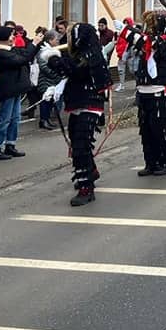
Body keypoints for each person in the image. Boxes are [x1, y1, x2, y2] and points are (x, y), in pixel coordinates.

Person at [48, 23, 111, 206]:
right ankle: (90, 171)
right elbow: (70, 73)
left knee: (81, 145)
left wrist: (53, 59)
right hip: (78, 102)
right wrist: (57, 88)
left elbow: (75, 71)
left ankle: (86, 188)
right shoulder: (80, 54)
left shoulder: (90, 55)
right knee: (76, 141)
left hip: (89, 104)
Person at [131, 12, 166, 176]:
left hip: (159, 91)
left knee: (158, 127)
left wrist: (128, 31)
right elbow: (142, 46)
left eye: (151, 24)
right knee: (145, 128)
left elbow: (152, 46)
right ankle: (151, 161)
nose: (149, 28)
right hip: (144, 89)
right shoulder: (146, 40)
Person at [0, 25, 43, 161]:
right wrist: (34, 44)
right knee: (4, 119)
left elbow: (25, 53)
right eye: (11, 35)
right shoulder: (0, 53)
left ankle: (10, 145)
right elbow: (21, 59)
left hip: (16, 88)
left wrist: (35, 44)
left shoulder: (10, 50)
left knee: (15, 119)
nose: (13, 37)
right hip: (8, 89)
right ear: (4, 38)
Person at [35, 30, 63, 130]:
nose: (58, 41)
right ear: (50, 40)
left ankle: (47, 119)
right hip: (46, 80)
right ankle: (43, 120)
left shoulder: (54, 50)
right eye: (56, 39)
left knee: (50, 101)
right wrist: (55, 74)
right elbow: (43, 67)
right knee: (45, 101)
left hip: (54, 80)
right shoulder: (43, 51)